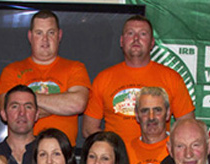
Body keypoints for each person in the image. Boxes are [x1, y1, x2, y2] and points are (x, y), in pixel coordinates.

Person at [83, 15, 194, 144]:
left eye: (143, 34)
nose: (136, 39)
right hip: (118, 161)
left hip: (159, 160)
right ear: (121, 41)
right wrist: (112, 150)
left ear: (152, 43)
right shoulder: (103, 79)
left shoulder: (171, 78)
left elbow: (188, 127)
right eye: (130, 33)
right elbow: (88, 129)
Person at [0, 10, 90, 145]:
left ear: (59, 35)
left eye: (51, 33)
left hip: (63, 153)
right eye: (39, 33)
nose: (45, 39)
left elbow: (78, 103)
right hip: (21, 152)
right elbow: (6, 111)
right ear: (30, 36)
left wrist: (25, 105)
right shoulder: (12, 71)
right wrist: (59, 105)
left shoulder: (75, 68)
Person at [127, 87, 170, 164]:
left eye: (157, 110)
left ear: (168, 113)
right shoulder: (125, 152)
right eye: (145, 111)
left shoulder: (180, 150)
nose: (151, 117)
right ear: (137, 115)